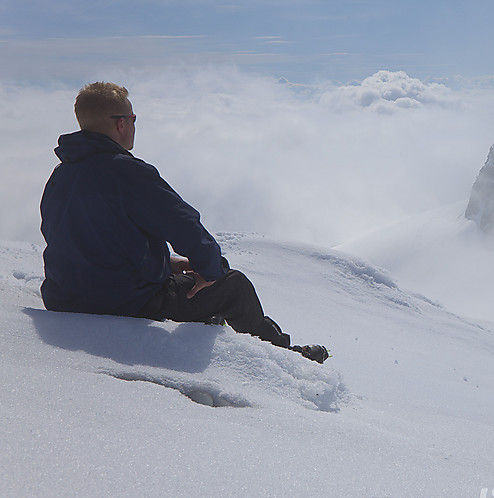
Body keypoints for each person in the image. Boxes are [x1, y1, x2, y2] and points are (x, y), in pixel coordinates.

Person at [40, 81, 328, 363]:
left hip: (65, 298)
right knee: (232, 284)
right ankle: (284, 358)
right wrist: (209, 268)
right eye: (132, 118)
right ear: (121, 124)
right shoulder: (128, 173)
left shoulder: (61, 176)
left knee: (197, 279)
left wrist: (165, 262)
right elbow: (184, 225)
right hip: (122, 302)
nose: (134, 124)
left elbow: (88, 238)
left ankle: (209, 320)